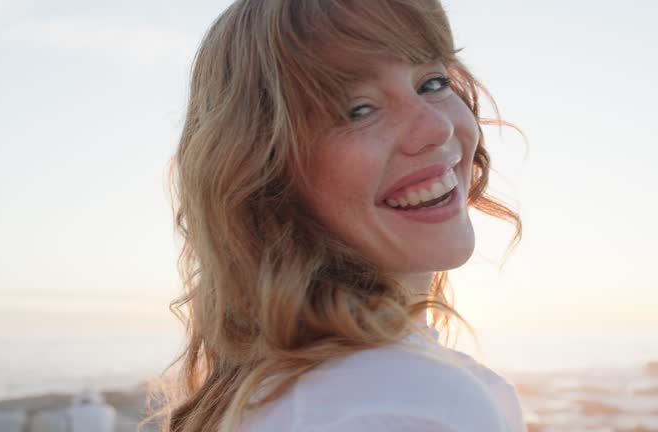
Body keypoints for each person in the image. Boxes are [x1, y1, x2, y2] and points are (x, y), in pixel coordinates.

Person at [147, 0, 526, 431]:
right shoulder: (406, 403)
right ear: (267, 177)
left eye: (432, 82)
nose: (435, 127)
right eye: (359, 110)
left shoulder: (273, 393)